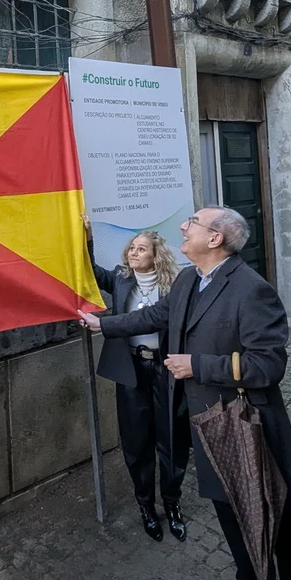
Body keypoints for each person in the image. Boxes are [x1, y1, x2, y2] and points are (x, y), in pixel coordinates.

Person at [80, 207, 291, 580]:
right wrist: (104, 323)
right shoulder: (187, 279)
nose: (183, 225)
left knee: (281, 529)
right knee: (231, 518)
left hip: (247, 425)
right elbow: (156, 316)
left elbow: (268, 365)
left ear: (215, 239)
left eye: (193, 222)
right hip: (206, 424)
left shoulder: (252, 290)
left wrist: (196, 365)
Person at [84, 215, 188, 542]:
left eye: (141, 249)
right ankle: (145, 504)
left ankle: (172, 503)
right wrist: (86, 239)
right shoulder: (120, 279)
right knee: (136, 442)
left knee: (172, 440)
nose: (133, 253)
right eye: (132, 248)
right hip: (132, 372)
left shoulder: (174, 285)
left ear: (156, 256)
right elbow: (90, 272)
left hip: (167, 371)